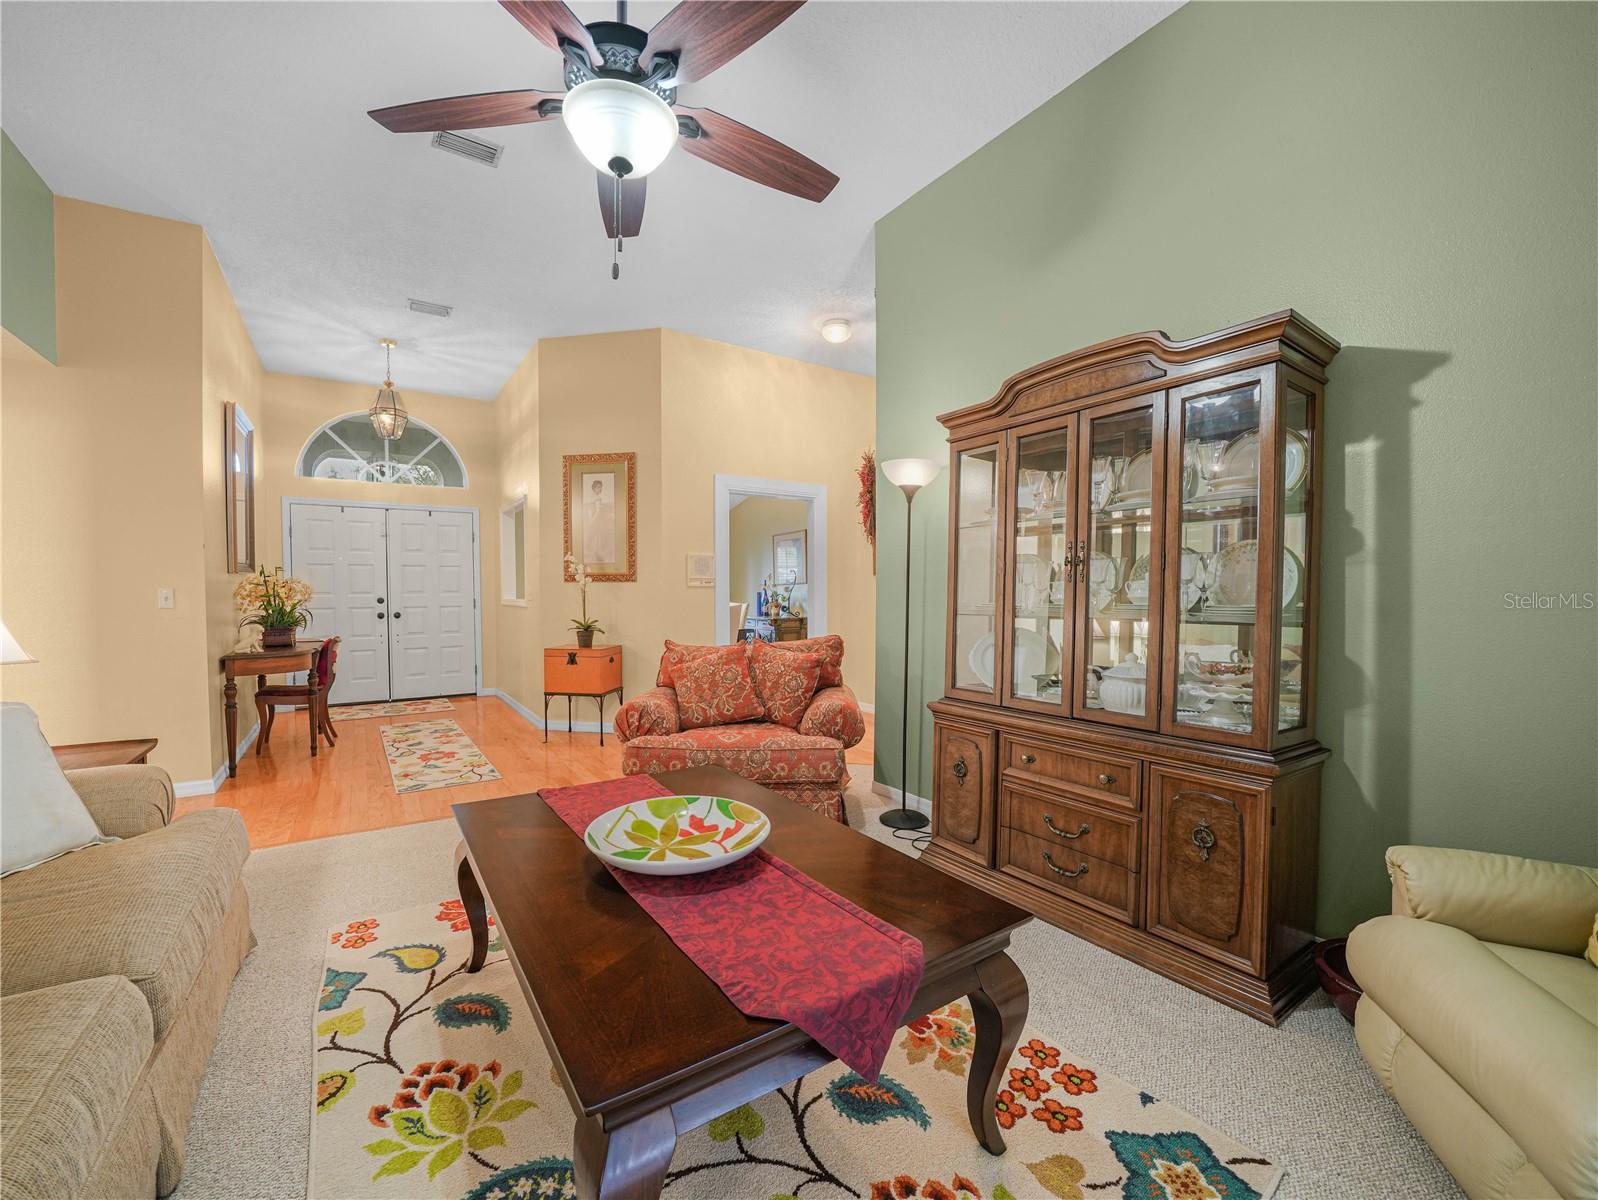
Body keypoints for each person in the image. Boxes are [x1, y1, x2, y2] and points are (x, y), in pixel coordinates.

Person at [583, 476, 615, 564]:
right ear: (594, 488)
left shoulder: (592, 497)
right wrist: (592, 520)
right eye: (598, 487)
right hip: (595, 520)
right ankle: (596, 555)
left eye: (601, 487)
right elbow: (597, 511)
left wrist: (590, 519)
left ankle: (596, 555)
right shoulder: (597, 498)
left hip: (593, 520)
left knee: (596, 538)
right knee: (595, 537)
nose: (600, 489)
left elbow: (592, 510)